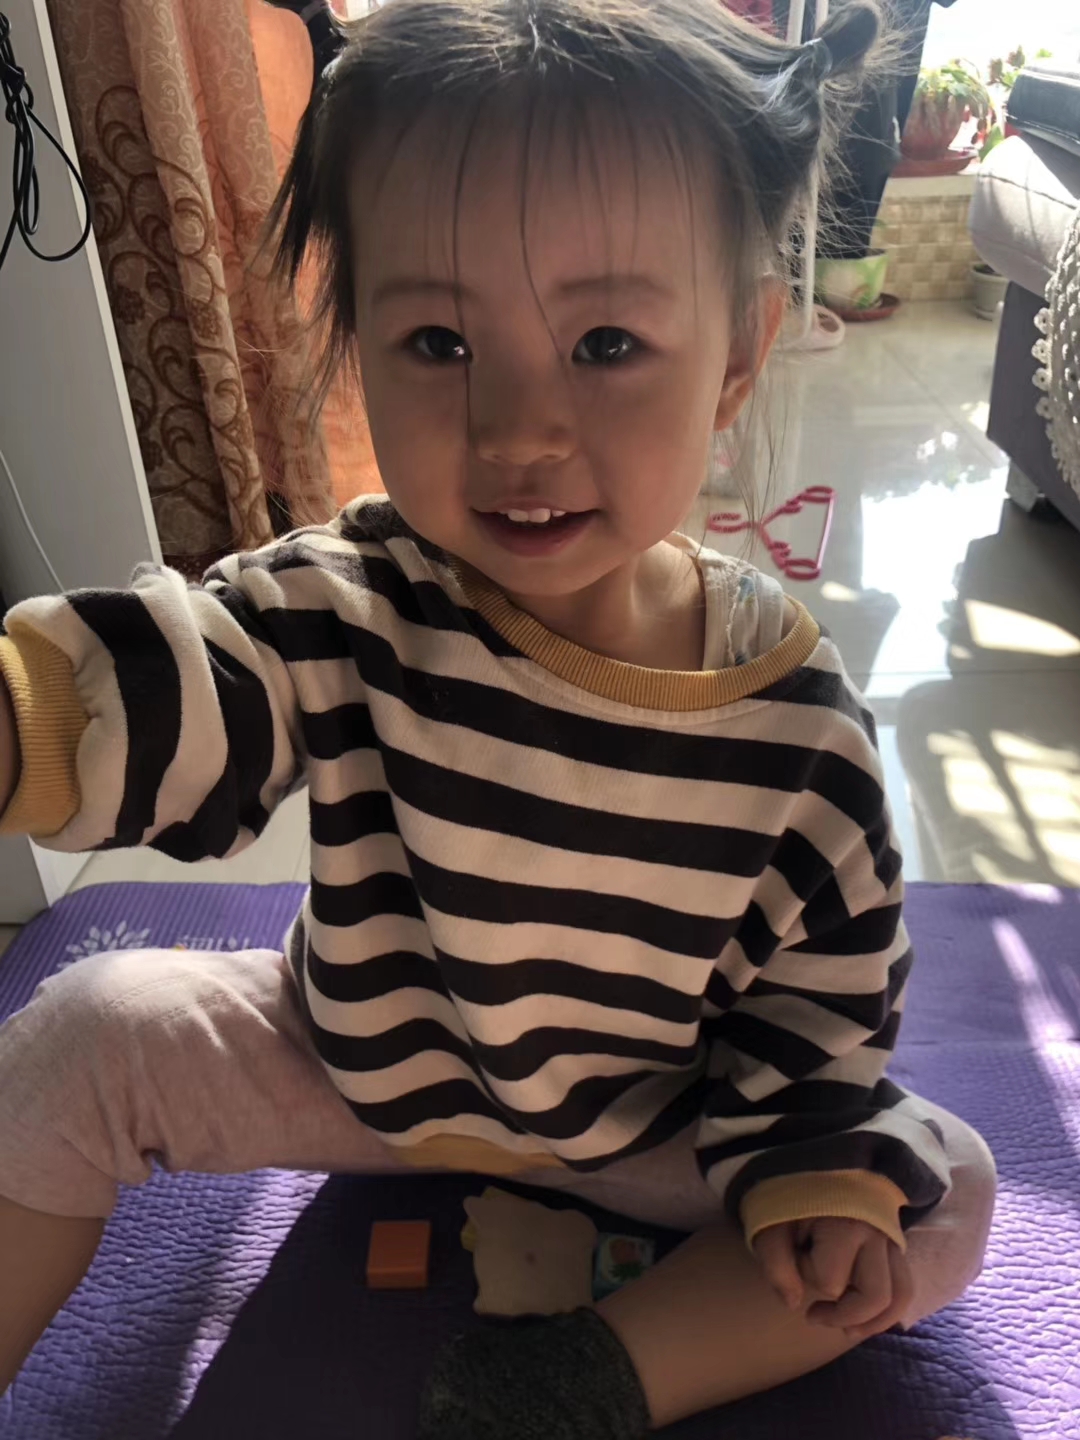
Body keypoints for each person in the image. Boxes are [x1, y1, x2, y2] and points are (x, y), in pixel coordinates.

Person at [0, 2, 995, 1435]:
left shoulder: (797, 734)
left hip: (647, 1123)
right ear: (357, 342)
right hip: (356, 1068)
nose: (518, 430)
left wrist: (813, 1181)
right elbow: (193, 686)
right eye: (438, 340)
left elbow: (814, 1019)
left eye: (606, 341)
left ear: (737, 355)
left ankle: (589, 1382)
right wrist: (30, 715)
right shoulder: (352, 599)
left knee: (937, 1193)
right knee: (78, 1033)